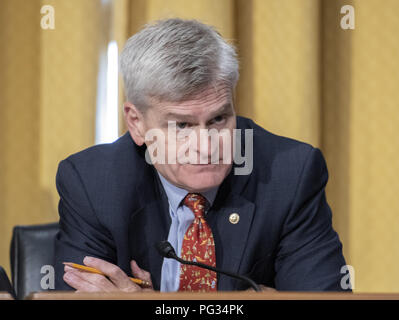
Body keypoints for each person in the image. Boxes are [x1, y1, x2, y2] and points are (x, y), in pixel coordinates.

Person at [55, 18, 349, 292]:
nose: (206, 147)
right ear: (137, 122)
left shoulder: (289, 174)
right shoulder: (92, 183)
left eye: (218, 119)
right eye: (182, 125)